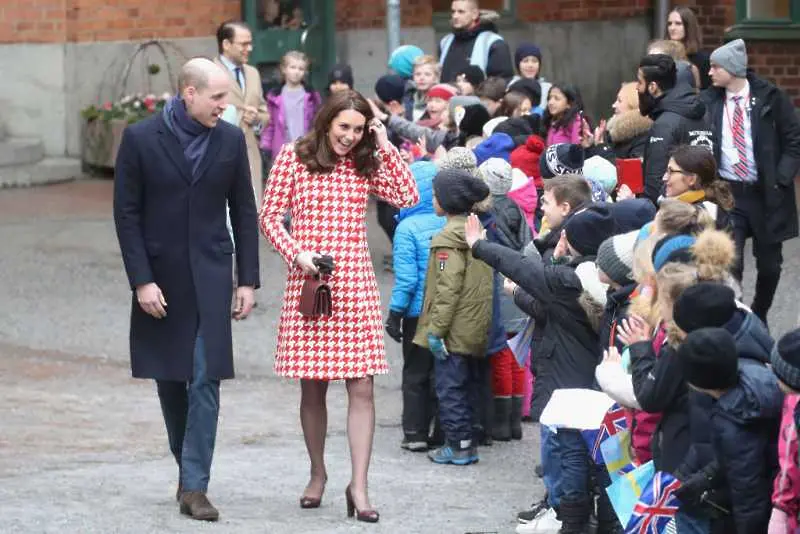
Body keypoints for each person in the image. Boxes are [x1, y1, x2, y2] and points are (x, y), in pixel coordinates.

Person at [259, 90, 419, 523]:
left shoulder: (368, 160)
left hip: (355, 282)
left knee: (362, 386)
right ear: (327, 122)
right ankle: (317, 474)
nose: (349, 136)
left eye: (358, 129)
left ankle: (360, 486)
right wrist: (298, 254)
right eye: (343, 127)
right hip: (309, 280)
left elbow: (408, 196)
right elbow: (269, 218)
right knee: (313, 385)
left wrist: (384, 145)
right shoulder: (295, 156)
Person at [113, 58, 260, 521]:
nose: (225, 105)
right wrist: (141, 280)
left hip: (213, 275)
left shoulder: (231, 139)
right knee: (171, 379)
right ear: (188, 93)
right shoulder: (140, 139)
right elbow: (127, 214)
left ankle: (196, 486)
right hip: (161, 278)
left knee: (204, 376)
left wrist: (248, 280)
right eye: (218, 97)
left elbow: (243, 209)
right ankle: (187, 470)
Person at [702, 38, 800, 326]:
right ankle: (739, 319)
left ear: (731, 69)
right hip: (729, 193)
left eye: (715, 67)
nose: (709, 73)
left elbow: (794, 139)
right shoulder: (709, 102)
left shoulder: (771, 97)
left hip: (766, 193)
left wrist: (782, 178)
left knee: (770, 266)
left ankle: (759, 312)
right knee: (732, 264)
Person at [413, 167, 493, 465]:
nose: (432, 199)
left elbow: (447, 288)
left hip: (454, 331)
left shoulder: (448, 239)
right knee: (467, 387)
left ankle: (459, 445)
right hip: (472, 327)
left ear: (446, 201)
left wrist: (436, 331)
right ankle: (465, 441)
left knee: (450, 388)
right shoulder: (475, 231)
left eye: (435, 195)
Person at [677, 327, 782, 534]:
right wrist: (704, 478)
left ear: (697, 383)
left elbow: (749, 498)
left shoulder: (732, 425)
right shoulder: (754, 376)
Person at [384, 161, 446, 452]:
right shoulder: (449, 222)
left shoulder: (406, 228)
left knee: (415, 372)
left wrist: (395, 314)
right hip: (446, 311)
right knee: (440, 372)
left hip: (416, 314)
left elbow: (407, 280)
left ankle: (415, 432)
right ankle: (441, 430)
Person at [638, 53, 712, 204]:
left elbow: (654, 182)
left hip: (673, 211)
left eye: (639, 82)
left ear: (652, 87)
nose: (637, 88)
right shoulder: (705, 114)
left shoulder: (665, 124)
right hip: (703, 203)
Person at [214, 21, 270, 198]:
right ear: (226, 44)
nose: (250, 48)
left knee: (251, 212)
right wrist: (237, 115)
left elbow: (264, 112)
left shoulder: (253, 73)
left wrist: (256, 120)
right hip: (220, 155)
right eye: (244, 44)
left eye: (250, 43)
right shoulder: (210, 72)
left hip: (250, 155)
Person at [260, 51, 322, 169]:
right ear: (284, 69)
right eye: (292, 67)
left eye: (301, 69)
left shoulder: (311, 96)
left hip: (305, 150)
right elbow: (270, 124)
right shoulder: (274, 96)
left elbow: (317, 123)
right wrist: (266, 146)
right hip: (282, 150)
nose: (296, 72)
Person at [662, 144, 734, 231]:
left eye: (671, 171)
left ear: (692, 179)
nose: (664, 178)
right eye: (666, 171)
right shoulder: (681, 206)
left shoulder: (699, 217)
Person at [439, 0, 513, 83]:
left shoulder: (494, 43)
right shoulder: (445, 42)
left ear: (474, 14)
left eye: (461, 12)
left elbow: (501, 82)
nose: (455, 16)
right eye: (453, 12)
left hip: (478, 95)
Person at [665, 6, 711, 89]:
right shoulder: (662, 55)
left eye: (678, 23)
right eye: (669, 24)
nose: (672, 28)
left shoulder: (703, 59)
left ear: (688, 27)